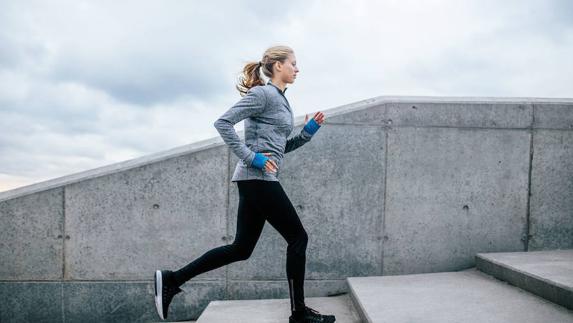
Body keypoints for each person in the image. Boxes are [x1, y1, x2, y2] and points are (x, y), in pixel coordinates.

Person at [154, 45, 335, 323]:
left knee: (241, 248)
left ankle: (172, 279)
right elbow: (223, 123)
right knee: (298, 238)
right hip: (258, 179)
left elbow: (277, 149)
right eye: (293, 64)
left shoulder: (280, 99)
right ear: (277, 66)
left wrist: (307, 134)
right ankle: (299, 313)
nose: (297, 69)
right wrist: (254, 158)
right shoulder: (263, 94)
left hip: (256, 180)